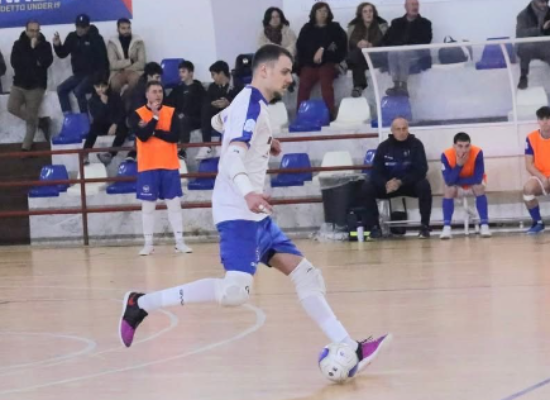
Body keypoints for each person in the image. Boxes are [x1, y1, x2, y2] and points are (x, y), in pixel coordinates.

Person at [119, 45, 391, 376]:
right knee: (235, 292)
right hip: (238, 211)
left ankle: (349, 345)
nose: (289, 78)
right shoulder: (249, 104)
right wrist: (248, 191)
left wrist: (264, 141)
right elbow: (232, 157)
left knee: (307, 275)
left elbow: (219, 120)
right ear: (264, 71)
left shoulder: (248, 102)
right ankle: (140, 303)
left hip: (255, 215)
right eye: (285, 71)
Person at [129, 81, 192, 256]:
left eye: (160, 91)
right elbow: (142, 135)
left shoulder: (171, 112)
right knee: (148, 207)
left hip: (169, 165)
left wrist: (153, 130)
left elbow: (174, 136)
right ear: (147, 94)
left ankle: (180, 242)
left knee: (174, 205)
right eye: (154, 91)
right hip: (148, 166)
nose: (158, 94)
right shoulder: (137, 114)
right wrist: (155, 119)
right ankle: (148, 244)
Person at [361, 117, 432, 239]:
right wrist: (386, 183)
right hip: (388, 187)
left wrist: (401, 182)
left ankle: (424, 227)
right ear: (392, 131)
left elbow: (421, 170)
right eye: (398, 129)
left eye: (404, 129)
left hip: (408, 185)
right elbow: (376, 172)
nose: (402, 132)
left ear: (408, 129)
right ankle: (374, 228)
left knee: (424, 185)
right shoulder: (383, 147)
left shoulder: (416, 145)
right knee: (367, 188)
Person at [8, 19, 53, 151]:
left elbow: (45, 63)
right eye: (32, 31)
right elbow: (15, 63)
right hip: (19, 84)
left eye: (37, 31)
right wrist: (34, 60)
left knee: (31, 114)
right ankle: (41, 122)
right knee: (12, 108)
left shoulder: (45, 45)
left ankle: (26, 147)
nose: (34, 34)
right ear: (26, 30)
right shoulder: (18, 45)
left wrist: (33, 50)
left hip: (36, 85)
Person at [296, 2, 347, 119]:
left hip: (329, 63)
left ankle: (329, 113)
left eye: (325, 11)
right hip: (310, 63)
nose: (322, 14)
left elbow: (339, 46)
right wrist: (313, 57)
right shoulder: (307, 29)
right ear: (314, 13)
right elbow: (301, 48)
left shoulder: (335, 28)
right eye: (319, 11)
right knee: (304, 82)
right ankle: (300, 114)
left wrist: (323, 50)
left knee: (325, 79)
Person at [54, 14, 109, 114]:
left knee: (79, 90)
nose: (80, 29)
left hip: (93, 75)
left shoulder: (96, 39)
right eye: (78, 26)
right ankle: (69, 117)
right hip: (78, 75)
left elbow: (103, 61)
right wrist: (57, 45)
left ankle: (85, 118)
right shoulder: (72, 37)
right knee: (61, 89)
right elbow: (62, 54)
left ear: (88, 27)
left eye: (83, 27)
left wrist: (103, 80)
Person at [440, 132, 491, 239]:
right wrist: (459, 165)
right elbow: (448, 181)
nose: (464, 150)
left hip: (471, 184)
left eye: (467, 146)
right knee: (448, 189)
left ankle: (485, 225)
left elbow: (478, 178)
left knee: (479, 186)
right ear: (454, 146)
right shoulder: (446, 155)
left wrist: (457, 180)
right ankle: (446, 228)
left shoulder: (477, 152)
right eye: (460, 146)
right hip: (457, 186)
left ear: (470, 145)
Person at [383, 0, 432, 97]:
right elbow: (386, 40)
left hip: (417, 54)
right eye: (412, 4)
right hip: (398, 53)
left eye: (416, 4)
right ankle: (396, 84)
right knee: (392, 53)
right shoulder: (396, 22)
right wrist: (400, 45)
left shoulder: (425, 23)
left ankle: (403, 85)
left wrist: (407, 45)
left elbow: (426, 40)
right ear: (405, 7)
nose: (415, 7)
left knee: (403, 52)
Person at [197, 61, 241, 160]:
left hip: (233, 114)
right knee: (206, 108)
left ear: (221, 73)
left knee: (228, 111)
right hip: (216, 113)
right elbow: (207, 101)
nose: (212, 78)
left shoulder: (238, 84)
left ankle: (222, 144)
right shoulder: (212, 87)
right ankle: (206, 146)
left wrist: (229, 103)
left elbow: (242, 102)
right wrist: (213, 103)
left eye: (213, 75)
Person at [84, 75, 128, 166]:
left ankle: (110, 154)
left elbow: (121, 112)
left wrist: (115, 124)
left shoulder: (115, 96)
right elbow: (98, 117)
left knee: (124, 128)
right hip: (102, 125)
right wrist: (105, 104)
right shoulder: (92, 101)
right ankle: (84, 154)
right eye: (98, 87)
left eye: (103, 86)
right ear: (94, 87)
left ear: (107, 86)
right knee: (93, 127)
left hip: (115, 124)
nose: (100, 89)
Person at [166, 60, 206, 160]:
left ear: (191, 73)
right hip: (178, 118)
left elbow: (202, 107)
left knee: (184, 119)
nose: (180, 74)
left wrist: (184, 114)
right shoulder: (177, 90)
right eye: (179, 72)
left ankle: (182, 150)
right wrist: (177, 114)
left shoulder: (199, 89)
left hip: (194, 119)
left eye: (183, 72)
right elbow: (169, 105)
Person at [347, 2, 388, 97]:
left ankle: (346, 63)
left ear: (374, 13)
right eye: (365, 12)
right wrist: (358, 43)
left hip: (377, 57)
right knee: (359, 55)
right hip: (361, 58)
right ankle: (358, 87)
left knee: (358, 55)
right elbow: (351, 41)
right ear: (361, 15)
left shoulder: (381, 25)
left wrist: (371, 44)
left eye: (370, 11)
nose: (368, 14)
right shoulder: (355, 26)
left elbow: (383, 40)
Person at [523, 106, 550, 234]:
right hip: (540, 175)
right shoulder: (531, 138)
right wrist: (543, 178)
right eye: (541, 119)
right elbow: (529, 165)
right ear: (538, 121)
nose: (545, 122)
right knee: (527, 189)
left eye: (548, 118)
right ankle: (538, 223)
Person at [516, 0, 550, 89]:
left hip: (546, 47)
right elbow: (520, 33)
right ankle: (523, 76)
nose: (544, 5)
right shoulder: (523, 15)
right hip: (530, 47)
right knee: (525, 48)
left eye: (546, 2)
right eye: (541, 2)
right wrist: (540, 29)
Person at [107, 18, 146, 94]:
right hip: (117, 72)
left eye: (128, 28)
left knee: (135, 82)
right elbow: (113, 64)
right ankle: (117, 101)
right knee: (114, 84)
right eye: (123, 28)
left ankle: (129, 100)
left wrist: (126, 68)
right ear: (118, 29)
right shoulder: (112, 43)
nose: (127, 31)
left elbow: (142, 63)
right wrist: (130, 61)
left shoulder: (138, 41)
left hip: (135, 71)